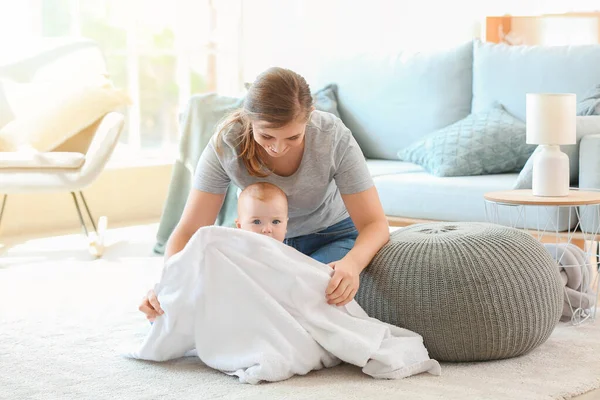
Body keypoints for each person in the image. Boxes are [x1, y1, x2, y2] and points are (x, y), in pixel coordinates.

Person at [139, 67, 389, 323]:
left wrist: (352, 264)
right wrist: (166, 283)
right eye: (266, 135)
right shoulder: (227, 143)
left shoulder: (332, 137)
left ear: (310, 117)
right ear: (249, 120)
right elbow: (191, 229)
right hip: (257, 243)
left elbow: (375, 224)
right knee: (207, 293)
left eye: (293, 137)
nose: (278, 148)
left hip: (329, 238)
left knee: (305, 296)